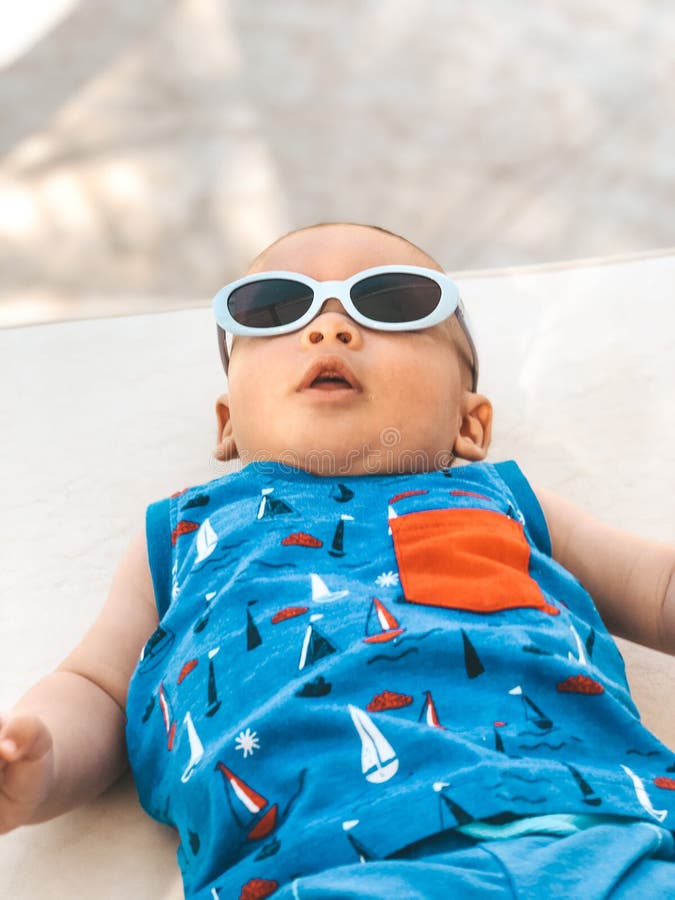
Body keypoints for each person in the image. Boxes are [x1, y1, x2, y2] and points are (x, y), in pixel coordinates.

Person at [1, 222, 674, 899]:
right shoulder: (185, 532)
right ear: (227, 424)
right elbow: (96, 685)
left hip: (596, 827)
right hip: (319, 863)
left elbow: (657, 585)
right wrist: (42, 761)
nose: (330, 327)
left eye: (393, 302)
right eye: (274, 306)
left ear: (469, 426)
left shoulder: (496, 495)